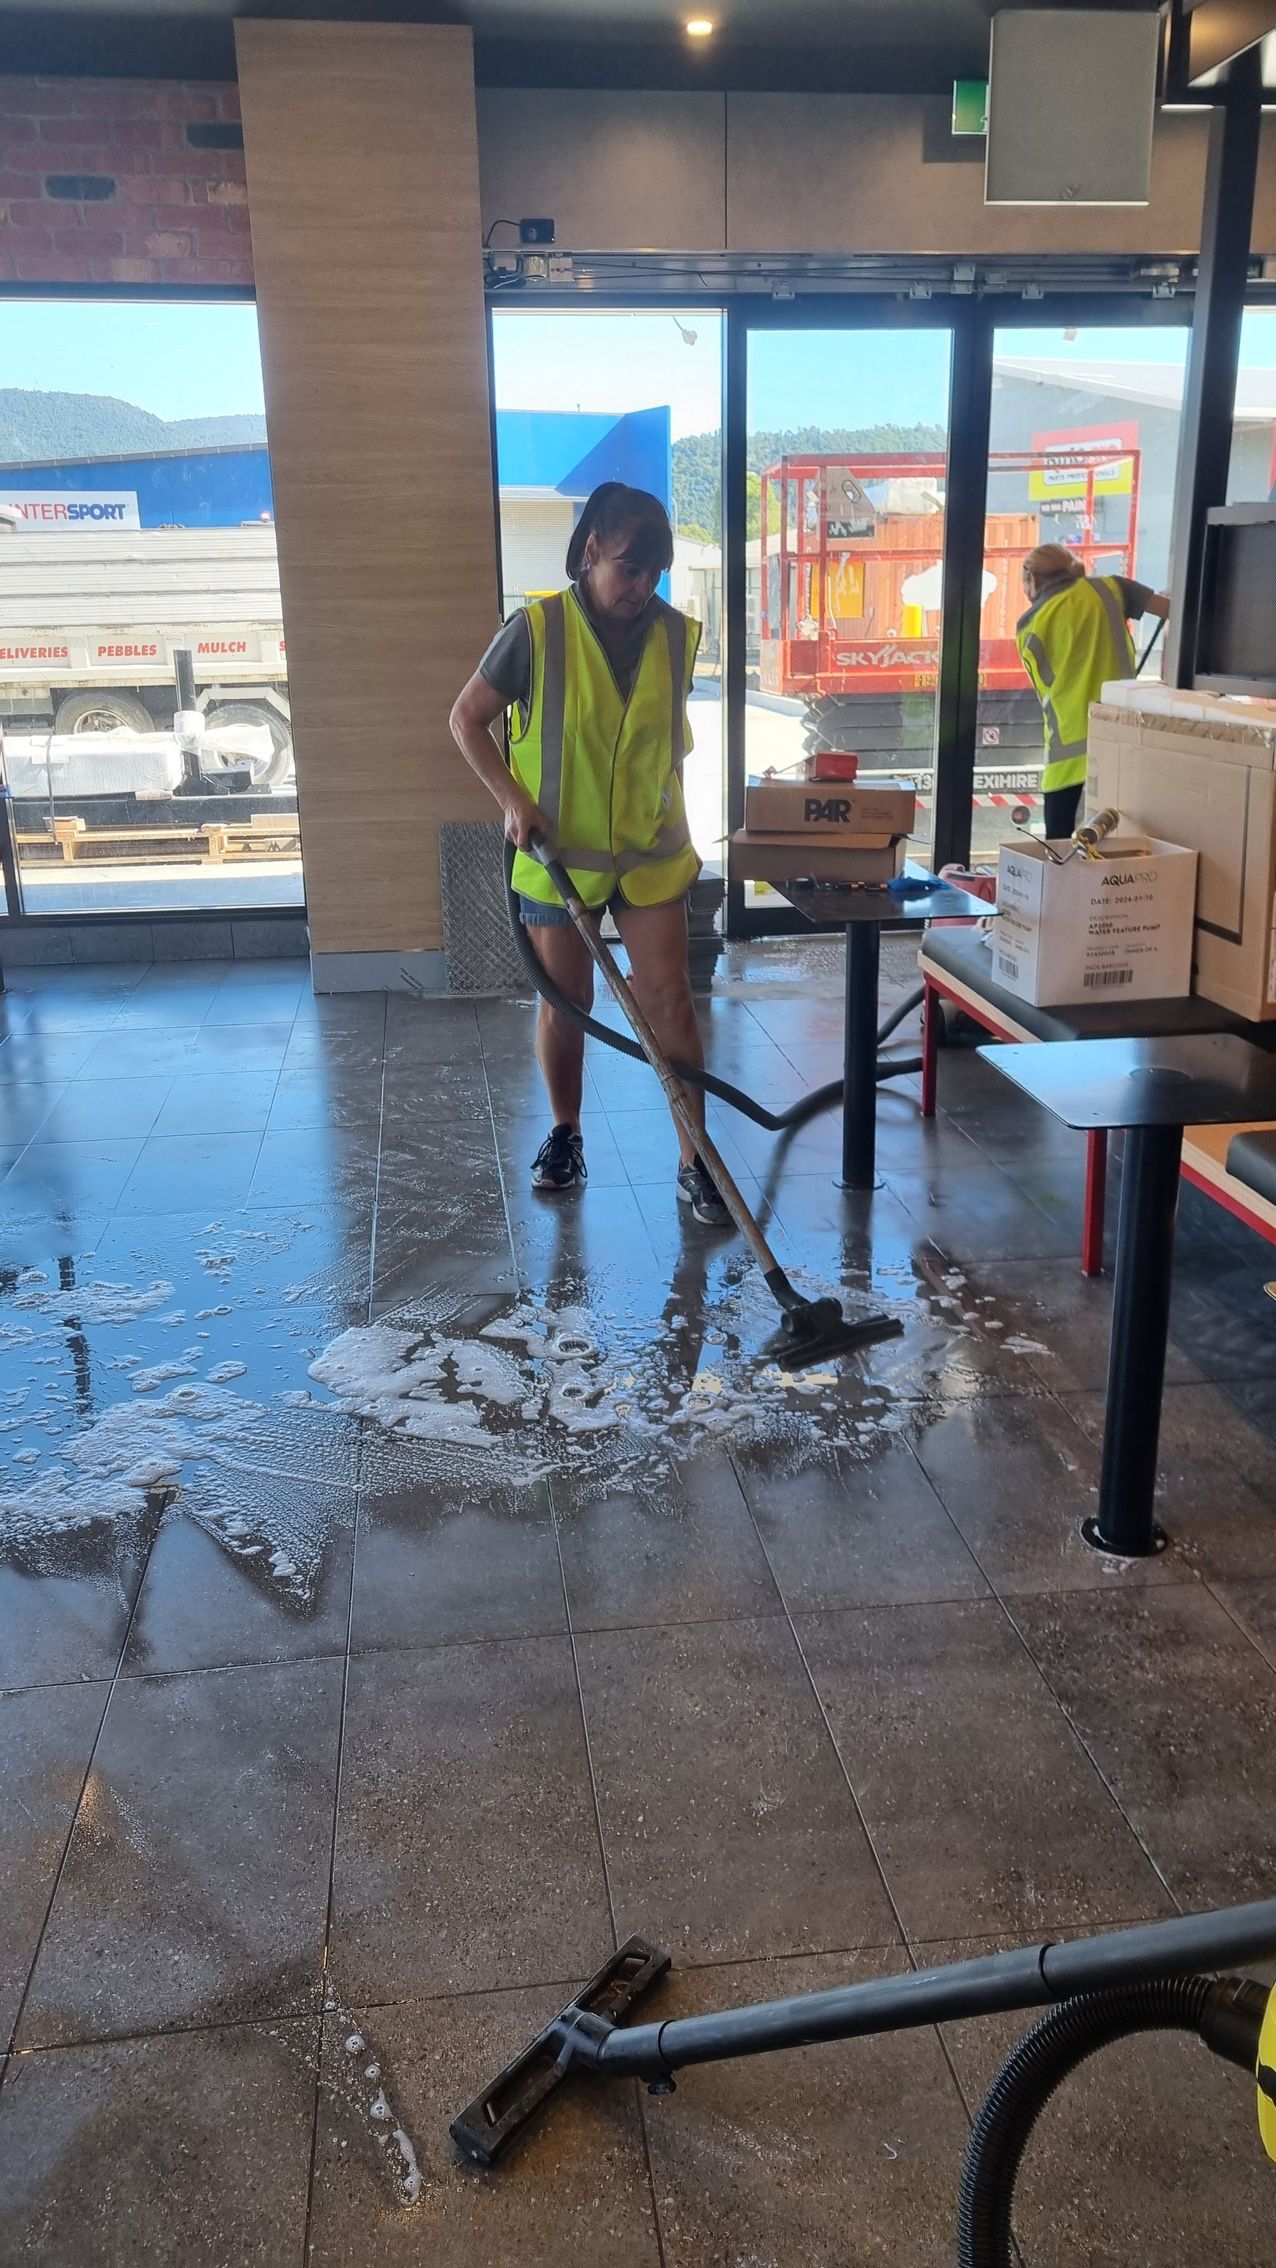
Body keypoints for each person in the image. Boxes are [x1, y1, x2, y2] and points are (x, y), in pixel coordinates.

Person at [449, 480, 729, 1225]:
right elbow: (466, 720)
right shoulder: (535, 631)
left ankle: (695, 1159)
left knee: (669, 1000)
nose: (642, 588)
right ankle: (567, 1134)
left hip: (650, 851)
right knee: (567, 1005)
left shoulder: (675, 634)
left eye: (655, 573)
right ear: (593, 549)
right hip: (559, 854)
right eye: (630, 568)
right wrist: (513, 801)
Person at [1016, 543, 1170, 840]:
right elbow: (1170, 610)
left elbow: (1045, 693)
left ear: (1032, 578)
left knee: (1061, 854)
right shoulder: (1112, 589)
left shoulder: (1029, 626)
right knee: (1120, 846)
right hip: (1121, 744)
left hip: (1066, 759)